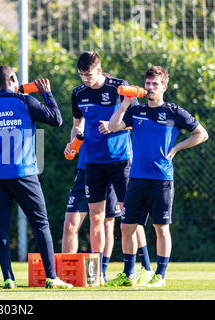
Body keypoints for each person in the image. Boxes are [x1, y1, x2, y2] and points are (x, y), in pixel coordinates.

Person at [106, 66, 208, 287]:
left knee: (160, 228)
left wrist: (177, 148)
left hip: (161, 179)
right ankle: (128, 273)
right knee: (126, 227)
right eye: (148, 83)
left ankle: (160, 275)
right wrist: (124, 104)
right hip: (136, 178)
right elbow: (113, 127)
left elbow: (202, 134)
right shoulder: (137, 110)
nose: (150, 88)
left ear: (164, 87)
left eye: (155, 84)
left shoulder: (174, 112)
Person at [0, 65, 72, 289]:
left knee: (1, 228)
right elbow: (56, 119)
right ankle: (51, 277)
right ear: (12, 78)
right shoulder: (25, 101)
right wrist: (46, 93)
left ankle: (8, 278)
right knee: (40, 223)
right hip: (24, 172)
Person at [69, 51, 151, 284]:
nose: (86, 79)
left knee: (130, 215)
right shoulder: (78, 93)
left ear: (100, 69)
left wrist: (116, 126)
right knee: (96, 217)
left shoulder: (119, 87)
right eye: (81, 75)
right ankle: (98, 273)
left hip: (121, 160)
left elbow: (137, 121)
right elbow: (78, 124)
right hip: (93, 162)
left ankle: (139, 267)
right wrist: (74, 139)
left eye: (89, 75)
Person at [63, 142, 152, 284]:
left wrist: (113, 126)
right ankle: (66, 274)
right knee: (71, 225)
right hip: (87, 166)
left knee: (119, 220)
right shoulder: (84, 117)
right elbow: (77, 127)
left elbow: (130, 124)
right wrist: (74, 142)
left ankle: (144, 267)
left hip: (115, 162)